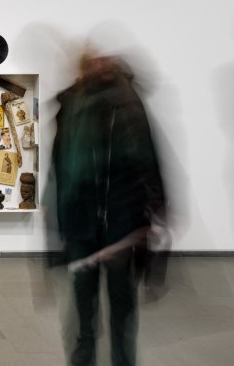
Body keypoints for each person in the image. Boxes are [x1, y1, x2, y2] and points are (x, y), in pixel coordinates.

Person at [51, 51, 166, 366]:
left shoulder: (128, 106)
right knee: (83, 317)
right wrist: (60, 229)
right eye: (90, 61)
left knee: (121, 313)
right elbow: (60, 173)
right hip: (82, 229)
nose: (97, 65)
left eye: (102, 61)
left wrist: (157, 208)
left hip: (121, 227)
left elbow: (149, 161)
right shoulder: (71, 107)